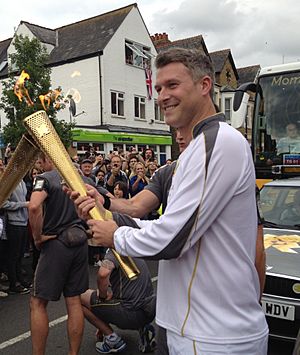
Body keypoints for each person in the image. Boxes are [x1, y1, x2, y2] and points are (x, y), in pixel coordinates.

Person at [72, 48, 268, 354]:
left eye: (172, 85)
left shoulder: (219, 142)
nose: (162, 96)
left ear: (205, 86)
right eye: (159, 88)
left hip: (215, 335)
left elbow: (173, 238)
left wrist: (115, 235)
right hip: (188, 326)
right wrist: (104, 205)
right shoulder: (194, 152)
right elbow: (160, 221)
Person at [28, 153, 89, 355]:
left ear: (48, 158)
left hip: (57, 242)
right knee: (73, 300)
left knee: (37, 302)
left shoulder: (45, 177)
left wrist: (37, 237)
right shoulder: (79, 176)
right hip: (80, 241)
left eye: (40, 161)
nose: (39, 165)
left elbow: (34, 206)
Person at [81, 248, 156, 353]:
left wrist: (102, 298)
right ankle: (143, 328)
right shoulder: (132, 246)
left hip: (131, 313)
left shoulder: (114, 252)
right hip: (149, 311)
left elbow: (103, 274)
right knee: (118, 295)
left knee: (78, 299)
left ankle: (112, 339)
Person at [2, 180, 31, 294]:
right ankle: (14, 283)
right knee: (13, 255)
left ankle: (20, 279)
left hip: (23, 221)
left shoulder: (22, 182)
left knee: (19, 255)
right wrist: (24, 204)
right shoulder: (9, 182)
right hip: (13, 222)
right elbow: (3, 203)